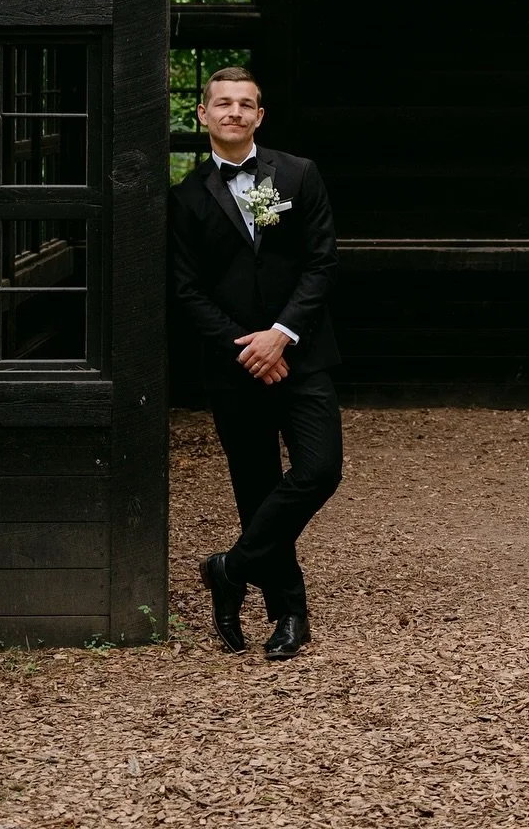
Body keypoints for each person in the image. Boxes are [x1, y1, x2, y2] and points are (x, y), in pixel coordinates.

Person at [169, 67, 342, 659]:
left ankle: (230, 566)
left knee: (321, 470)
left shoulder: (298, 174)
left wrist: (282, 335)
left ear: (259, 116)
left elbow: (322, 262)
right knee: (256, 486)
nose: (234, 113)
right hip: (235, 366)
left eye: (246, 104)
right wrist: (249, 347)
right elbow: (187, 291)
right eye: (223, 104)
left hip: (304, 355)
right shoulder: (185, 198)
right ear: (203, 114)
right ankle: (289, 613)